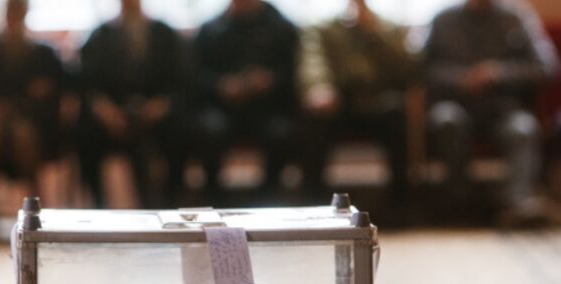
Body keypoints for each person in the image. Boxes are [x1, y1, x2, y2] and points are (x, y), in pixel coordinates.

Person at [424, 0, 559, 222]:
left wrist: (499, 74)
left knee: (523, 128)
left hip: (504, 106)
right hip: (456, 103)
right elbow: (424, 70)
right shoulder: (443, 19)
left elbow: (546, 67)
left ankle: (517, 204)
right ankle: (458, 202)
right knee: (446, 120)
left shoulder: (516, 18)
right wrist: (461, 79)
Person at [0, 0, 67, 225]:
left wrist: (26, 105)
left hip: (29, 121)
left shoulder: (43, 54)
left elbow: (55, 92)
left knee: (22, 134)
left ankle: (35, 204)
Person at [300, 0, 416, 202]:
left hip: (377, 104)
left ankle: (401, 201)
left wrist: (375, 33)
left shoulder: (389, 28)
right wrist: (320, 87)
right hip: (338, 104)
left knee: (397, 111)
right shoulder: (324, 28)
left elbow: (407, 70)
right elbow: (314, 63)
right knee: (314, 118)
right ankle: (312, 200)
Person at [78, 0, 186, 208]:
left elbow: (180, 82)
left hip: (155, 114)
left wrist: (159, 106)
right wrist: (107, 112)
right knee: (85, 134)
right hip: (112, 116)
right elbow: (88, 84)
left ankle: (170, 203)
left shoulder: (164, 34)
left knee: (179, 132)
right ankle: (98, 206)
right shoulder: (101, 35)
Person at [192, 0, 299, 199]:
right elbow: (195, 76)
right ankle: (214, 195)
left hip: (268, 107)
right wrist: (222, 86)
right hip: (222, 107)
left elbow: (294, 72)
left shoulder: (281, 27)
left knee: (282, 133)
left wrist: (270, 81)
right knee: (208, 130)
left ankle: (269, 195)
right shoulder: (211, 29)